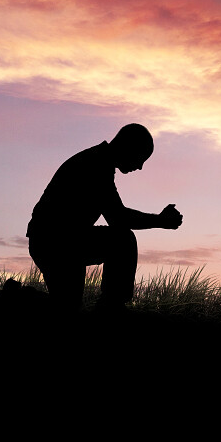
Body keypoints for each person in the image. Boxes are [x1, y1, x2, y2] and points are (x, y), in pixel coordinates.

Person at [26, 123, 183, 312]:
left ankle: (18, 298)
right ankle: (112, 307)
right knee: (123, 240)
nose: (140, 167)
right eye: (141, 158)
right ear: (128, 148)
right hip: (55, 243)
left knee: (67, 308)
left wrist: (159, 220)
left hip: (62, 241)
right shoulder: (96, 165)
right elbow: (120, 219)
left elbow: (117, 214)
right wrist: (161, 220)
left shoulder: (99, 162)